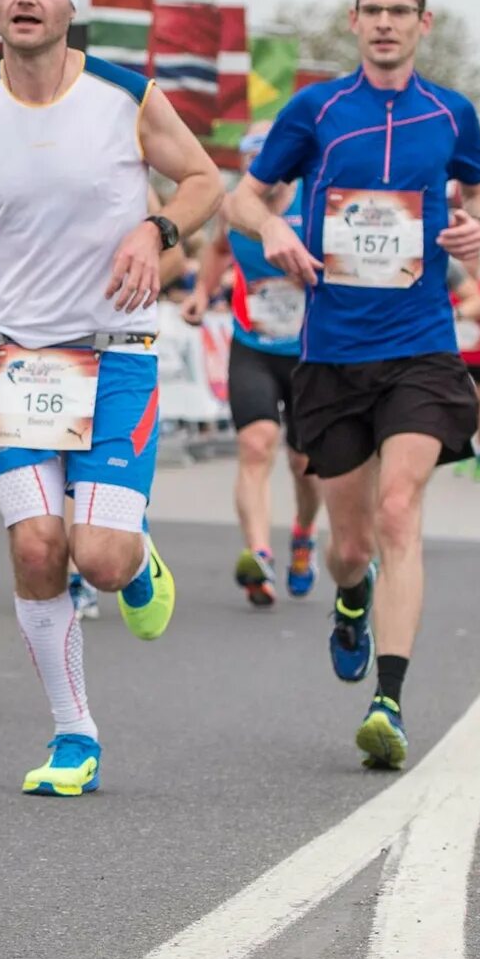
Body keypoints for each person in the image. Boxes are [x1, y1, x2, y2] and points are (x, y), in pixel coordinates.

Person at [0, 0, 221, 795]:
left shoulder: (123, 95)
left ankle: (135, 554)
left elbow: (204, 179)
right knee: (39, 548)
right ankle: (74, 734)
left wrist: (157, 229)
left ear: (72, 7)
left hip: (114, 357)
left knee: (100, 560)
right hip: (22, 365)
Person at [223, 0, 480, 772]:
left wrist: (477, 229)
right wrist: (271, 229)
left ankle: (389, 700)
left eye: (399, 11)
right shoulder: (317, 109)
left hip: (420, 343)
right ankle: (350, 596)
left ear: (424, 22)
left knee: (401, 510)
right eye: (371, 11)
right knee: (352, 543)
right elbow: (243, 194)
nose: (384, 23)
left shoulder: (453, 114)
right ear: (353, 21)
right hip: (333, 352)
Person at [187, 129, 320, 607]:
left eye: (266, 161)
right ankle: (258, 554)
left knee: (306, 464)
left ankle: (303, 535)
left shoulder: (315, 199)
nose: (258, 172)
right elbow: (219, 249)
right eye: (250, 163)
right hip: (253, 345)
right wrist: (204, 292)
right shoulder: (235, 209)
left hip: (310, 353)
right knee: (255, 443)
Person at [450, 255, 480, 477]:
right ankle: (463, 449)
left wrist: (476, 309)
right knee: (459, 405)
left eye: (475, 260)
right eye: (466, 261)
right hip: (456, 353)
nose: (470, 265)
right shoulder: (452, 286)